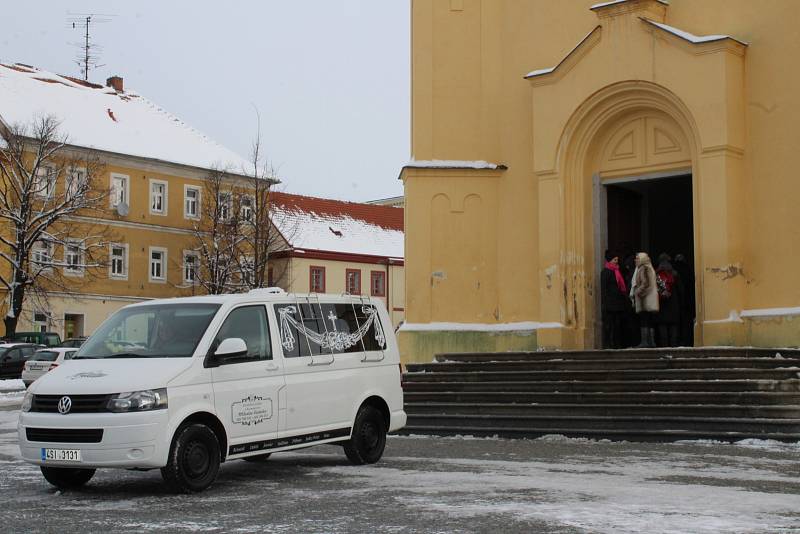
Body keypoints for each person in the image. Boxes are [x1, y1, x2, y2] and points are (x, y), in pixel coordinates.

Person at [629, 252, 659, 348]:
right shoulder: (648, 267)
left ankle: (645, 342)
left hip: (645, 299)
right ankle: (651, 342)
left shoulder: (644, 268)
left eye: (637, 258)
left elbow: (646, 284)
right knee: (649, 320)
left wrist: (637, 292)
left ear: (642, 259)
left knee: (644, 320)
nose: (635, 260)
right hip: (648, 298)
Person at [600, 250, 628, 349]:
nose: (617, 261)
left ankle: (617, 344)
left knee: (617, 325)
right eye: (615, 259)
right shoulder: (606, 272)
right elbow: (604, 289)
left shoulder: (617, 271)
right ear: (610, 260)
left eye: (617, 259)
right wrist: (605, 303)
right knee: (609, 325)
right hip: (610, 304)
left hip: (618, 303)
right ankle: (608, 344)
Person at [655, 253, 682, 347]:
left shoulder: (656, 274)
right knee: (673, 327)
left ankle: (664, 347)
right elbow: (681, 289)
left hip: (662, 304)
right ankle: (674, 346)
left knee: (662, 327)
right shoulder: (675, 274)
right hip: (673, 304)